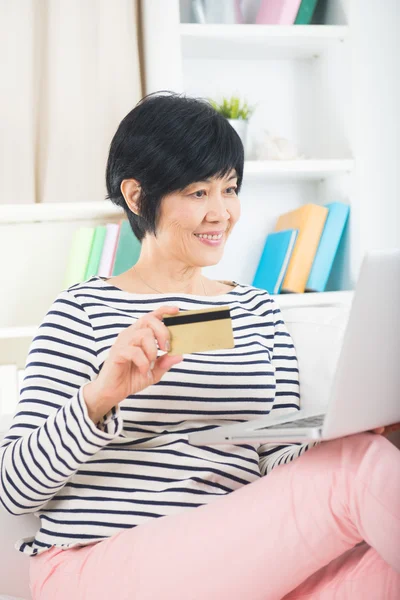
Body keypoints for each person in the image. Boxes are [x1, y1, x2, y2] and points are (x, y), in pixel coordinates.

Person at [0, 93, 399, 600]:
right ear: (138, 195)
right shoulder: (83, 310)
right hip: (100, 562)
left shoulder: (257, 310)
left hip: (240, 564)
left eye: (229, 189)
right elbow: (14, 490)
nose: (221, 213)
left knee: (384, 568)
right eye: (197, 193)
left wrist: (344, 440)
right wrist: (100, 397)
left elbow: (276, 457)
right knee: (353, 470)